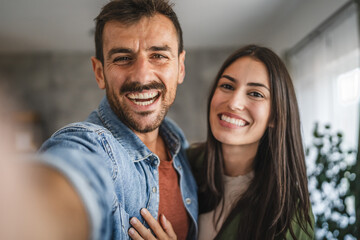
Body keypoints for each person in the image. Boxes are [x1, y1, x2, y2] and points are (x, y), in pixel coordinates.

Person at [36, 0, 198, 239]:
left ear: (180, 67)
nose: (142, 76)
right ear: (100, 73)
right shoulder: (92, 145)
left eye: (158, 55)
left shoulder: (178, 143)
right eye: (123, 58)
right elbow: (70, 175)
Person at [130, 45, 314, 240]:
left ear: (275, 116)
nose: (234, 102)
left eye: (255, 94)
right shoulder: (183, 164)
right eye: (227, 86)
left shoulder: (289, 212)